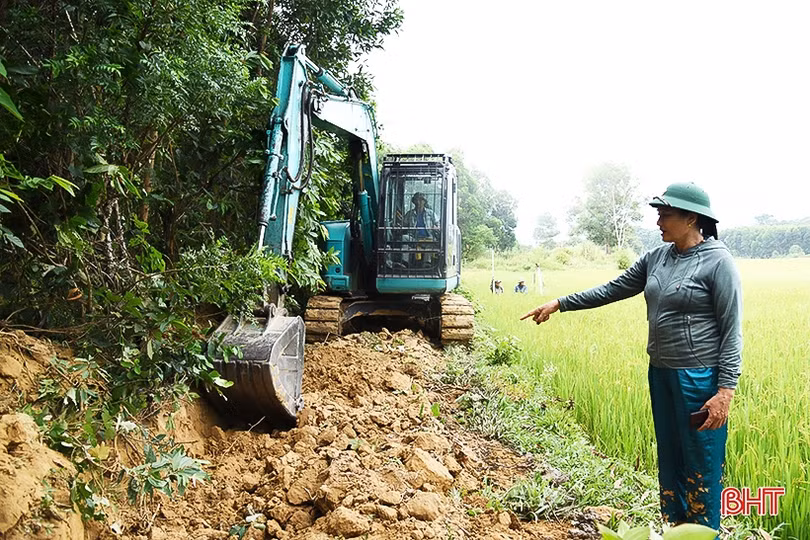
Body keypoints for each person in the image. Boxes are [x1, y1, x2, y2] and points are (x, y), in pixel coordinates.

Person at [520, 182, 741, 532]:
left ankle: (703, 535)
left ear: (691, 218)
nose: (658, 222)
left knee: (702, 462)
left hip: (699, 380)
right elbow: (612, 289)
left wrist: (725, 391)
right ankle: (674, 532)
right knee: (670, 459)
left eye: (665, 215)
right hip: (662, 374)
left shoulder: (718, 262)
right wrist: (560, 303)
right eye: (658, 215)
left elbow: (732, 331)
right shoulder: (657, 259)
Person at [402, 192, 439, 266]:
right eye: (416, 200)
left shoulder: (431, 213)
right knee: (404, 238)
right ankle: (404, 262)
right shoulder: (410, 214)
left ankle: (427, 263)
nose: (418, 202)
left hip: (428, 238)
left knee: (432, 242)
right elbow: (404, 225)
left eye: (421, 200)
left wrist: (436, 227)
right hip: (413, 238)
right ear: (414, 202)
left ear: (424, 201)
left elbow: (438, 224)